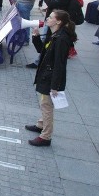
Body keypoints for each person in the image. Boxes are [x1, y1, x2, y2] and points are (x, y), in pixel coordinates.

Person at [26, 10, 75, 147]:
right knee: (44, 104)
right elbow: (42, 51)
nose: (48, 18)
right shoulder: (55, 35)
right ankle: (41, 125)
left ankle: (46, 136)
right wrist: (35, 37)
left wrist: (55, 86)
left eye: (51, 17)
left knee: (46, 106)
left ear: (58, 21)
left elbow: (59, 64)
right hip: (46, 75)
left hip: (50, 77)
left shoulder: (61, 39)